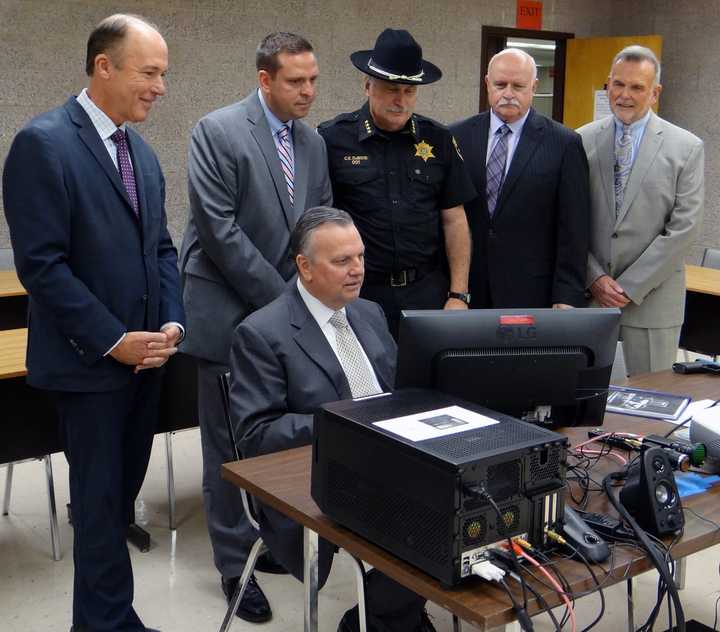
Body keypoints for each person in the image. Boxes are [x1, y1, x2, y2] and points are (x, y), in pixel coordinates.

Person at [2, 14, 184, 632]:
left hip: (146, 360)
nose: (161, 86)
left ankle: (108, 618)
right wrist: (113, 342)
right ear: (104, 66)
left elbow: (161, 248)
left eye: (164, 73)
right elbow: (42, 266)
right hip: (90, 366)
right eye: (150, 72)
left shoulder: (141, 151)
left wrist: (172, 326)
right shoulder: (44, 143)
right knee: (101, 505)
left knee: (114, 505)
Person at [178, 31, 332, 622]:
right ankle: (231, 564)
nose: (308, 92)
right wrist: (286, 306)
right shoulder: (217, 131)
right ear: (265, 79)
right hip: (231, 316)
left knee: (273, 439)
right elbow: (220, 233)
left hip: (285, 315)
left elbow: (315, 222)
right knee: (227, 446)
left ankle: (267, 540)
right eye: (296, 81)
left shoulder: (312, 143)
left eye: (313, 80)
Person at [229, 206, 436, 632]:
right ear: (304, 266)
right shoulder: (261, 333)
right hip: (325, 472)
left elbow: (402, 394)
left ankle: (381, 616)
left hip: (395, 458)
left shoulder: (370, 313)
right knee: (430, 521)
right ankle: (386, 618)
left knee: (474, 498)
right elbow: (256, 436)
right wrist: (353, 423)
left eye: (360, 256)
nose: (357, 270)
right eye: (342, 261)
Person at [318, 29, 474, 338]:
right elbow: (319, 222)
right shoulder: (333, 139)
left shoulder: (438, 140)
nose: (400, 100)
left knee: (426, 383)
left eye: (409, 91)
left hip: (426, 295)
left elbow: (454, 219)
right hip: (359, 294)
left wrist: (459, 295)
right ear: (367, 86)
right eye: (391, 89)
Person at [577, 46, 704, 375]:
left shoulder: (686, 148)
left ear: (655, 92)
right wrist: (595, 279)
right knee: (582, 405)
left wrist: (628, 287)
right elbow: (569, 220)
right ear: (608, 85)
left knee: (648, 407)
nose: (625, 95)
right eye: (618, 84)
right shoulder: (580, 140)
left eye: (637, 87)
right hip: (590, 301)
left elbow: (683, 228)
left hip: (652, 305)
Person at [450, 48, 590, 309]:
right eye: (500, 84)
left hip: (532, 292)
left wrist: (567, 296)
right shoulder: (456, 136)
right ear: (487, 83)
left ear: (534, 87)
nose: (508, 94)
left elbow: (574, 228)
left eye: (518, 86)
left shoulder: (564, 143)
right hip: (467, 290)